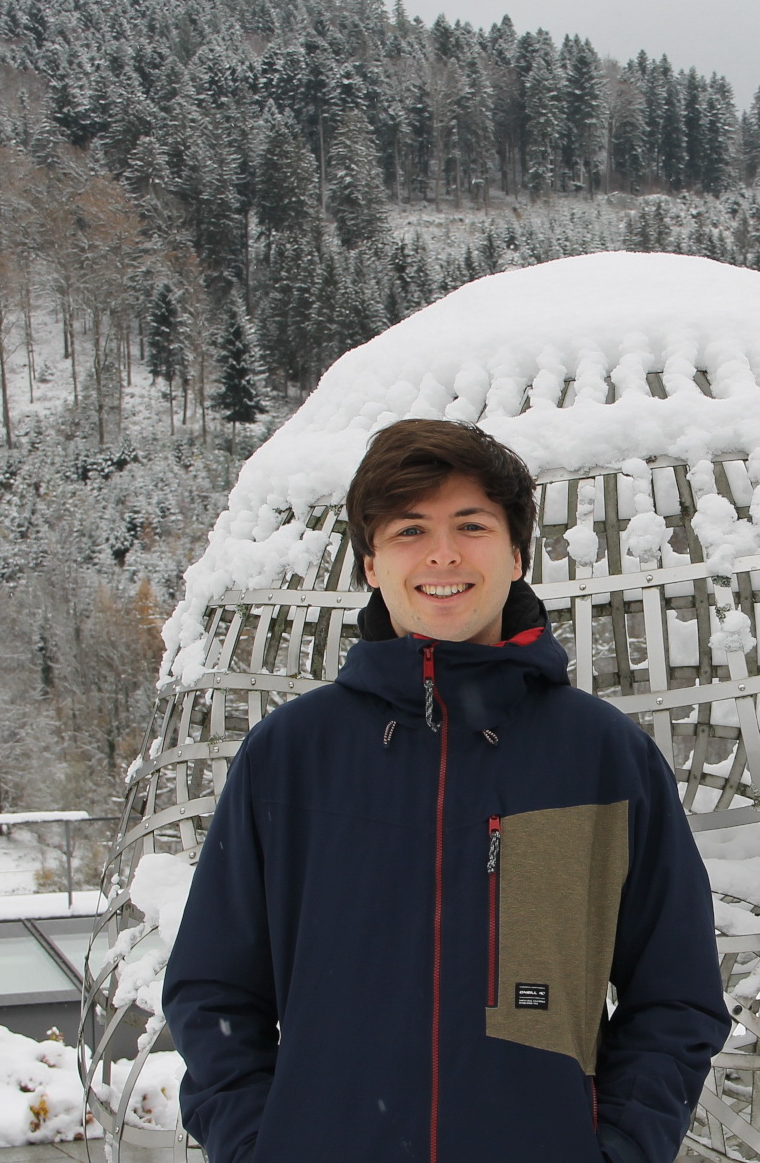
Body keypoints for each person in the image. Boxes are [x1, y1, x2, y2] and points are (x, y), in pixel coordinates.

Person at [162, 418, 730, 1163]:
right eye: (409, 530)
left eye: (472, 525)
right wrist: (258, 1145)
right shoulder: (293, 756)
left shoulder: (598, 757)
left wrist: (617, 1149)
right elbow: (215, 991)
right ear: (370, 563)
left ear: (517, 554)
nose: (443, 554)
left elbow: (676, 995)